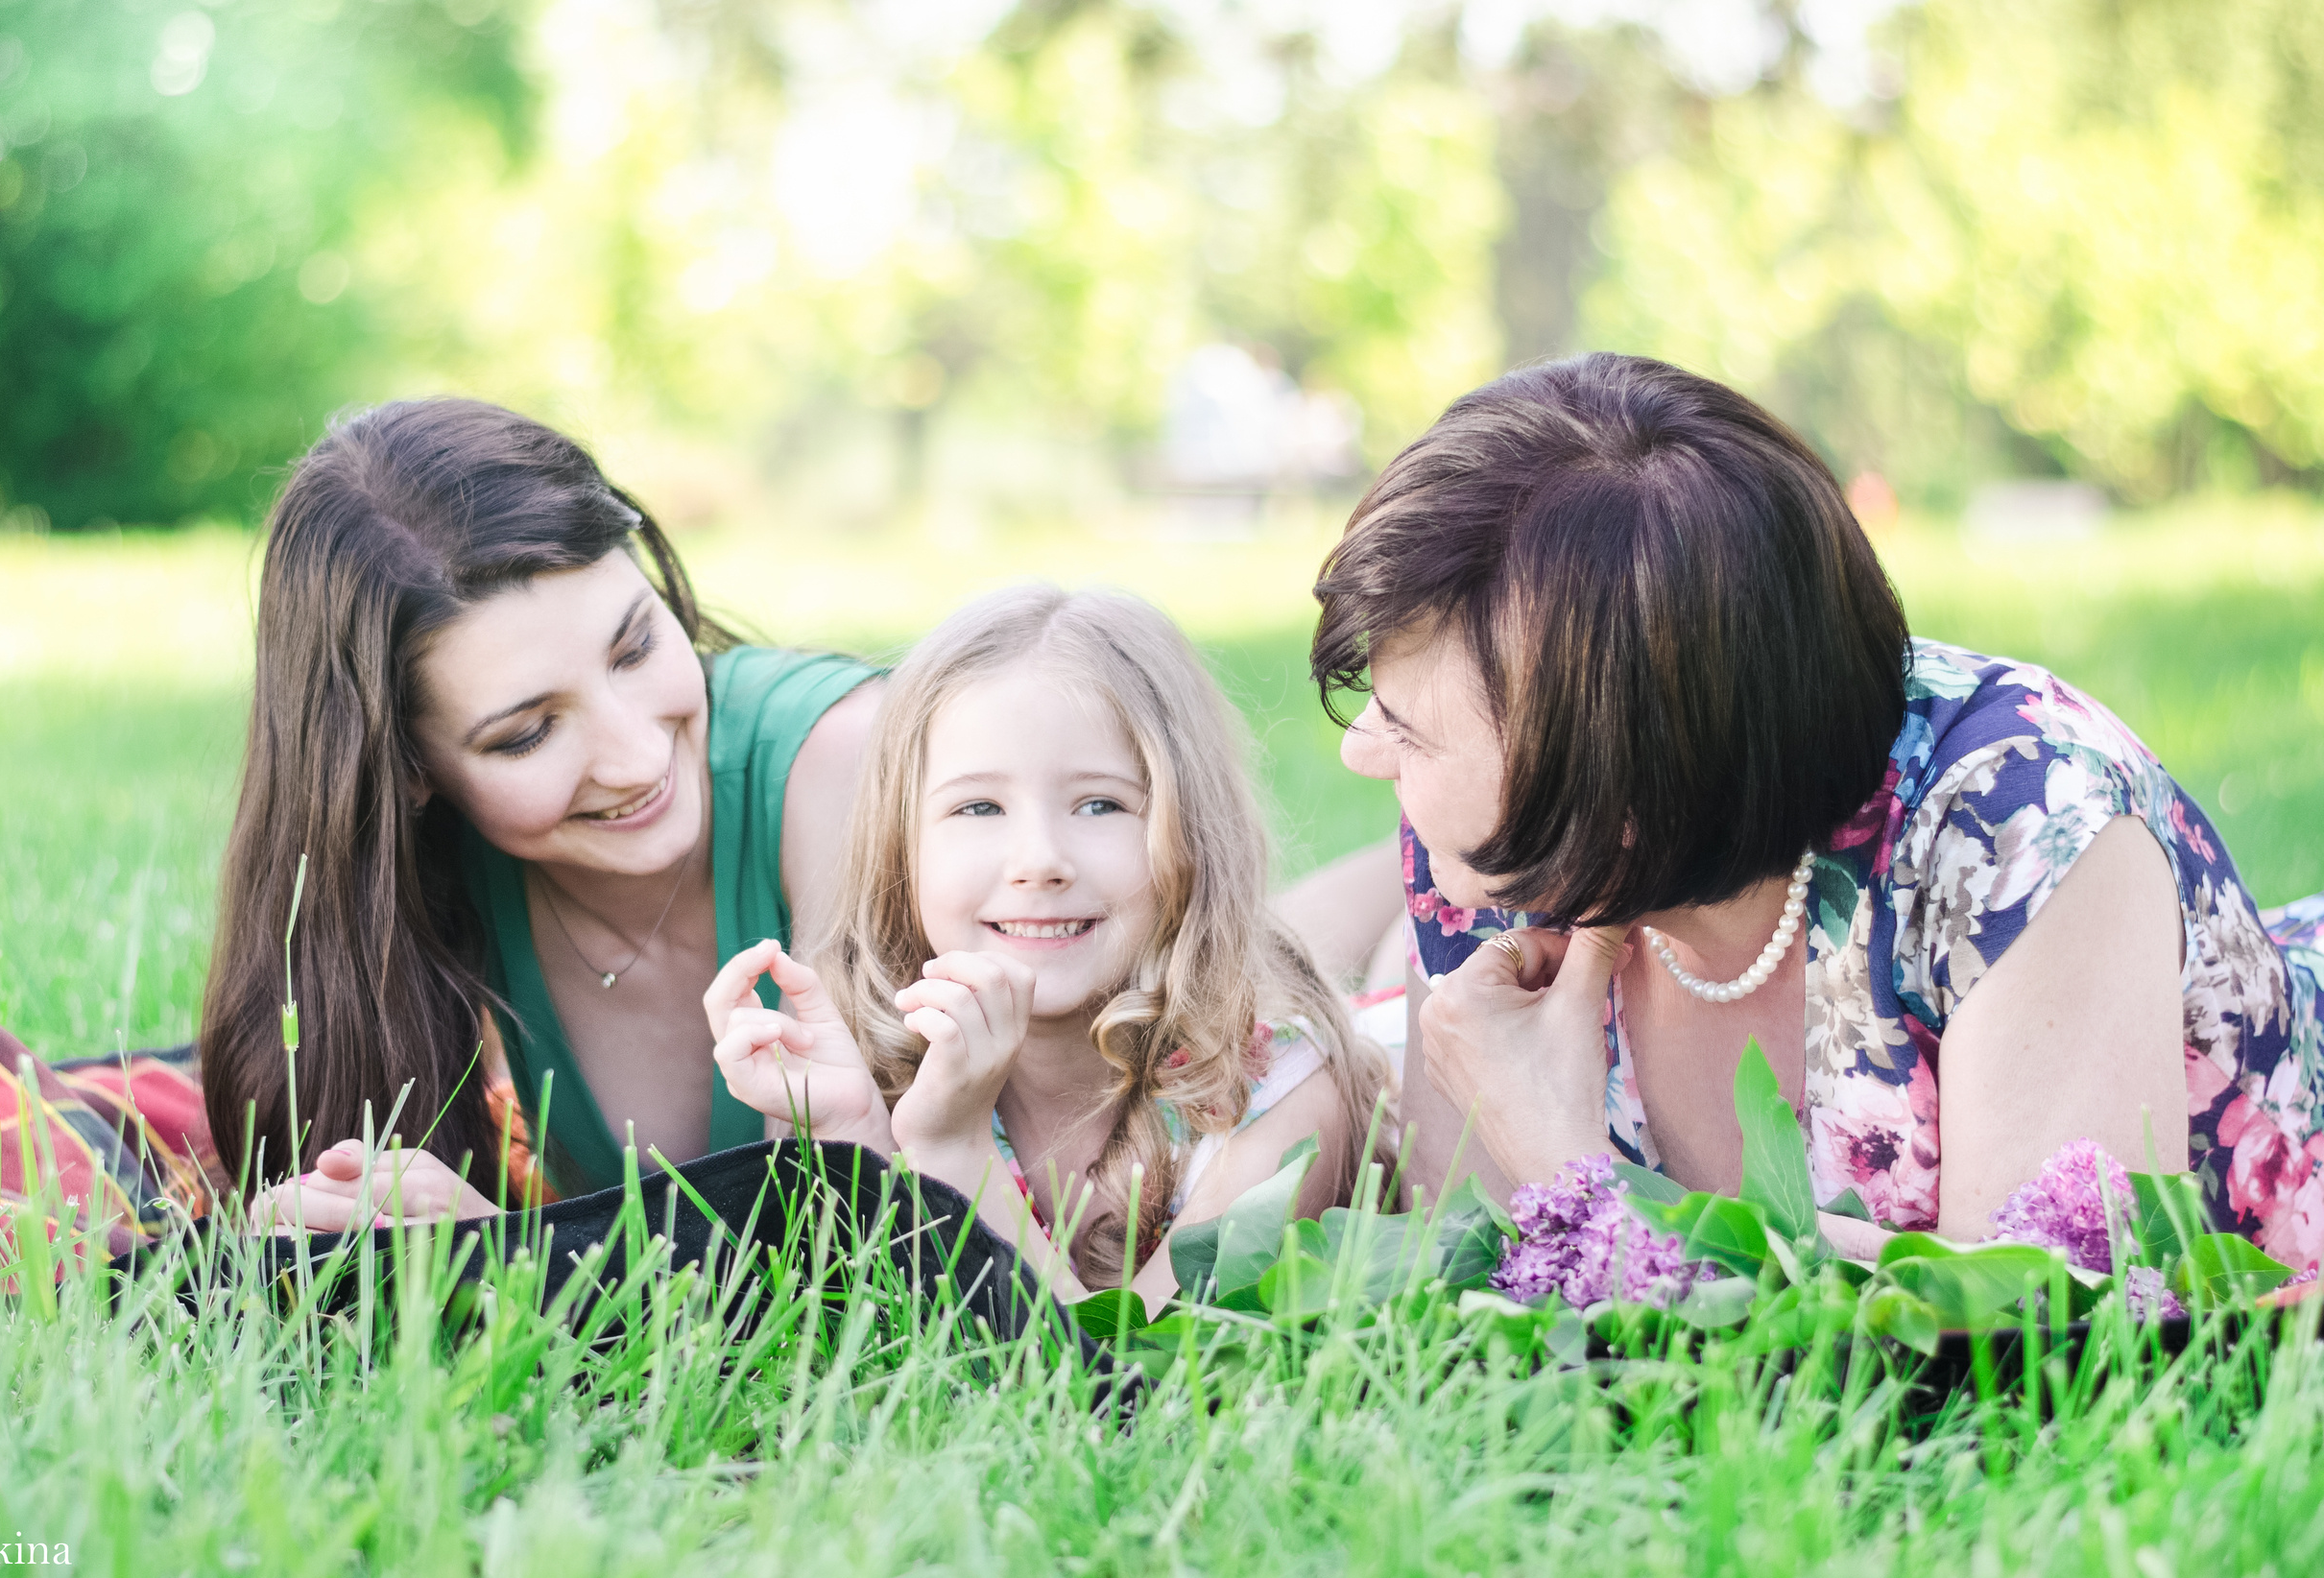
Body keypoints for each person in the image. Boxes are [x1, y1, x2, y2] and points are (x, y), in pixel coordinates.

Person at [1309, 352, 2324, 1265]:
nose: (1363, 753)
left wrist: (1581, 1179)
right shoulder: (1497, 860)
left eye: (1408, 730)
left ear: (1620, 788)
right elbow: (1484, 1295)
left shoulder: (2022, 824)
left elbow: (2028, 1360)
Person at [205, 398, 880, 1226]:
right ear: (406, 770)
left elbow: (841, 1241)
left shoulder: (844, 763)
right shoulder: (407, 893)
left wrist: (518, 1260)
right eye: (528, 734)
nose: (637, 756)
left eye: (635, 648)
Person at [701, 586, 1392, 1306]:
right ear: (897, 848)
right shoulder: (864, 1061)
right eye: (978, 807)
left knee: (1393, 950)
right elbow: (869, 1328)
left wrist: (956, 1151)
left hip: (1369, 1033)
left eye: (1101, 804)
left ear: (1195, 831)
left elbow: (1126, 1382)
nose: (1039, 859)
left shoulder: (1278, 1097)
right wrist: (856, 1131)